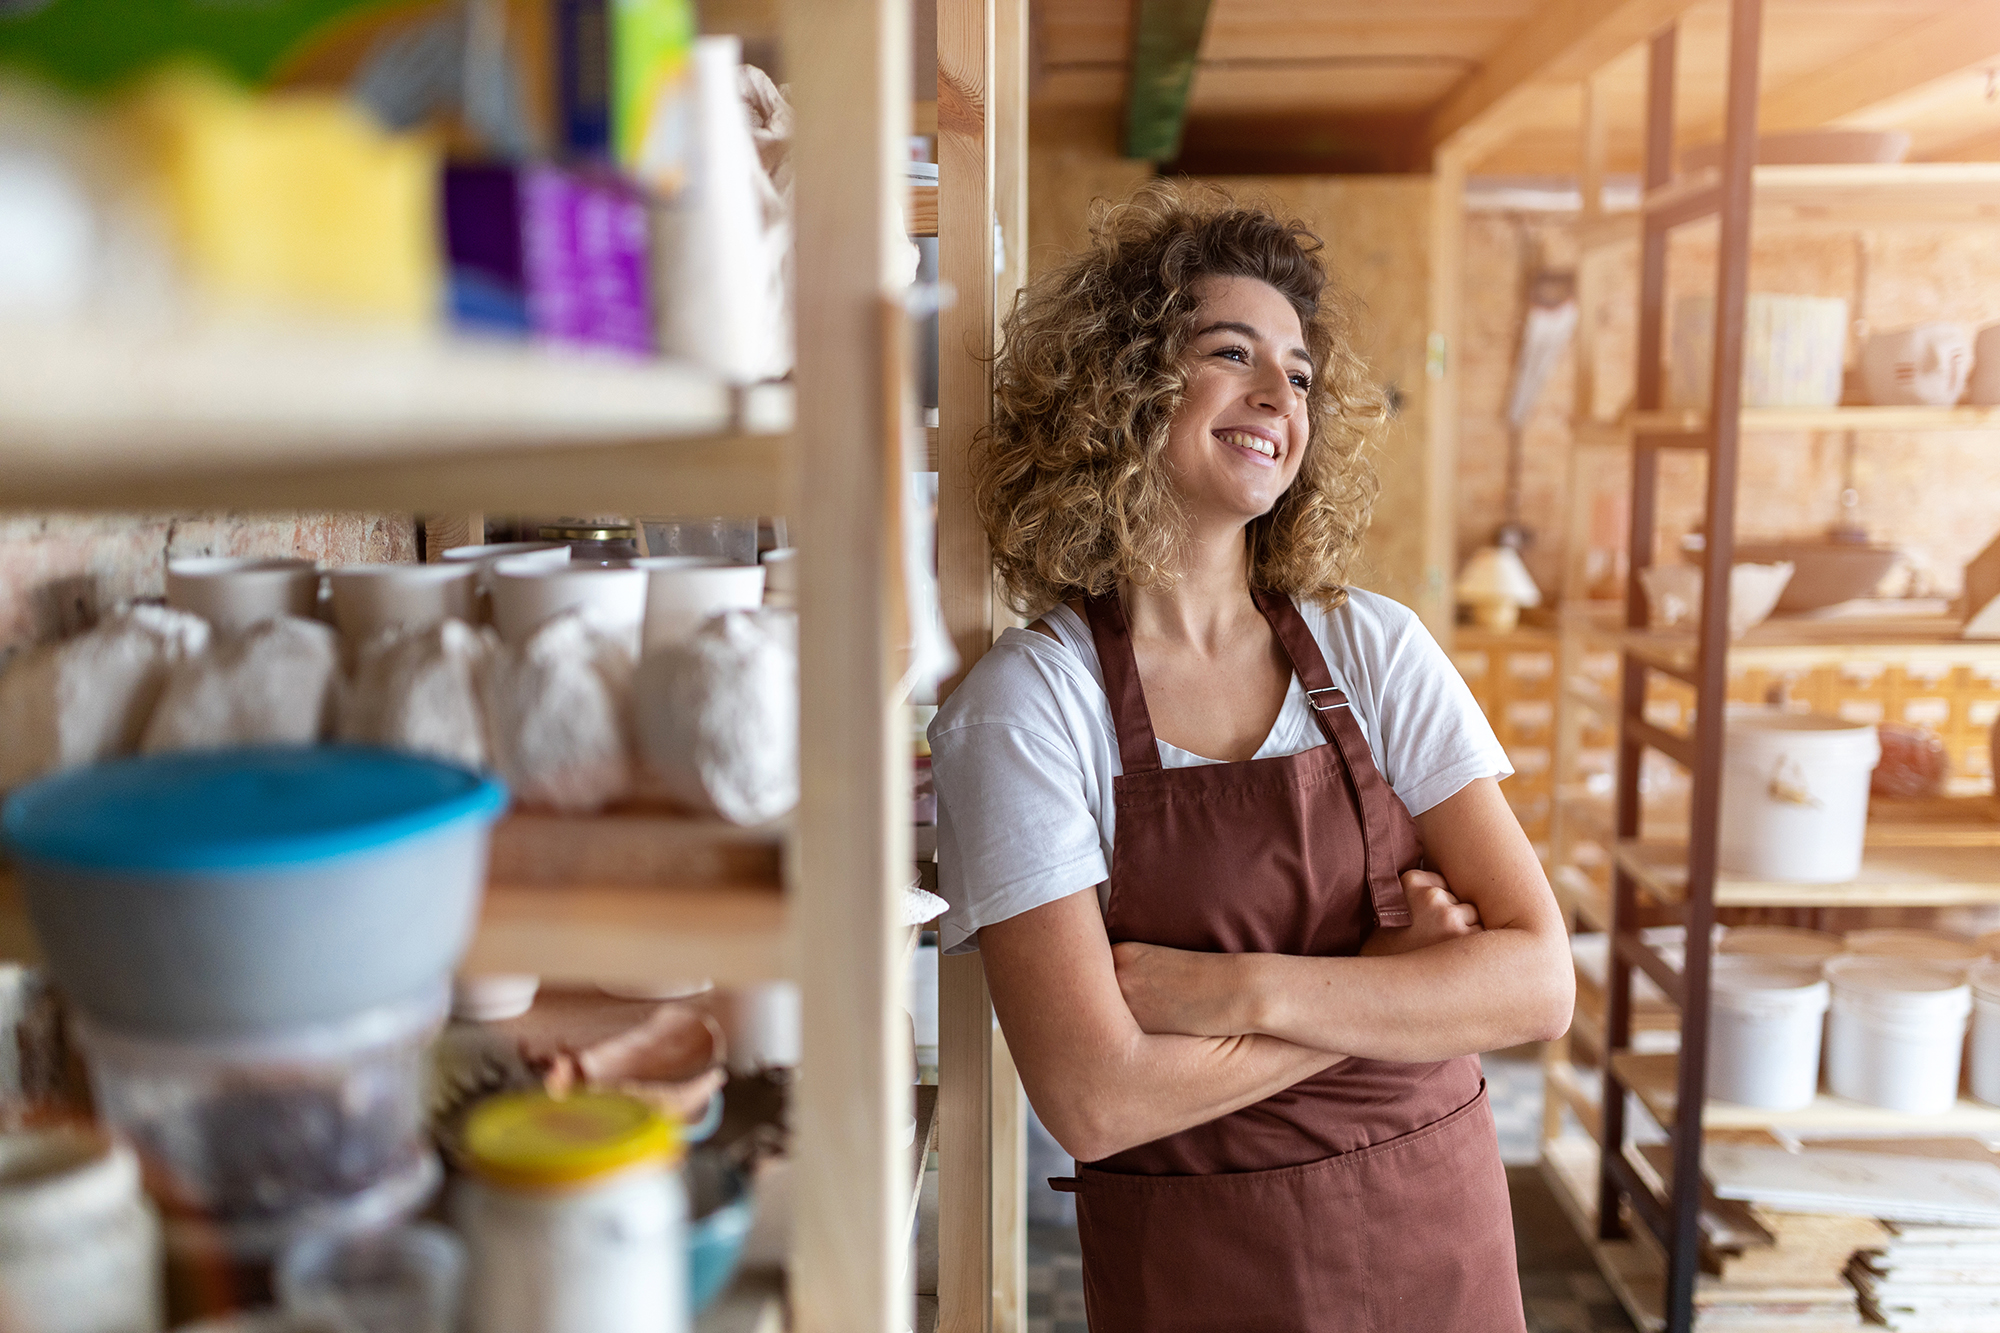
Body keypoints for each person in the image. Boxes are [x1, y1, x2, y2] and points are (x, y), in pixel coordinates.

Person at [927, 182, 1574, 1332]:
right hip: (1205, 1271)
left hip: (1437, 1237)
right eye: (1233, 352)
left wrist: (1239, 989)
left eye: (1301, 374)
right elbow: (1092, 1095)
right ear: (1122, 387)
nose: (1280, 394)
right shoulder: (1029, 706)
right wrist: (1397, 982)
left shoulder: (1372, 647)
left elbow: (1534, 983)